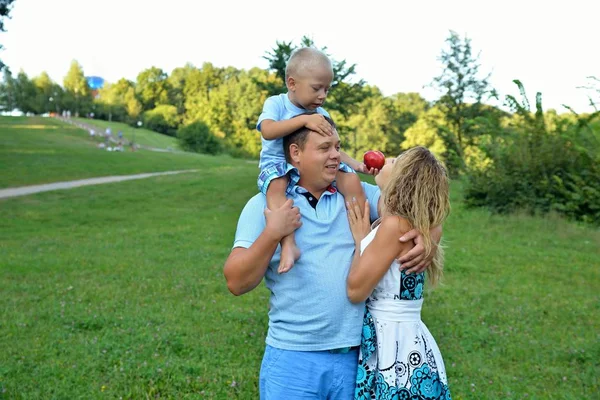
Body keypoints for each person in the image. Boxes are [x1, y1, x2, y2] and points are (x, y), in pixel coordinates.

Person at [223, 124, 441, 399]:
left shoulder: (357, 197)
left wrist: (430, 235)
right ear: (296, 153)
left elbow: (418, 207)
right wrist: (273, 232)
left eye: (338, 147)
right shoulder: (266, 206)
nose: (336, 156)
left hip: (358, 360)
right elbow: (236, 282)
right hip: (293, 359)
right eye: (324, 148)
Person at [257, 47, 376, 274]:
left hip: (315, 164)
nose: (322, 95)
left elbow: (332, 146)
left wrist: (355, 165)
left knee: (350, 180)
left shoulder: (322, 113)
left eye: (327, 89)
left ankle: (364, 237)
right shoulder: (277, 103)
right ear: (292, 83)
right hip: (278, 163)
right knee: (276, 189)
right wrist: (304, 121)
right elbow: (268, 131)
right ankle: (289, 243)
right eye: (316, 88)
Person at [345, 146, 452, 399]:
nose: (386, 159)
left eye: (395, 160)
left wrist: (361, 241)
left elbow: (355, 290)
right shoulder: (412, 222)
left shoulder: (395, 226)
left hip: (393, 342)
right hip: (408, 336)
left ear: (403, 178)